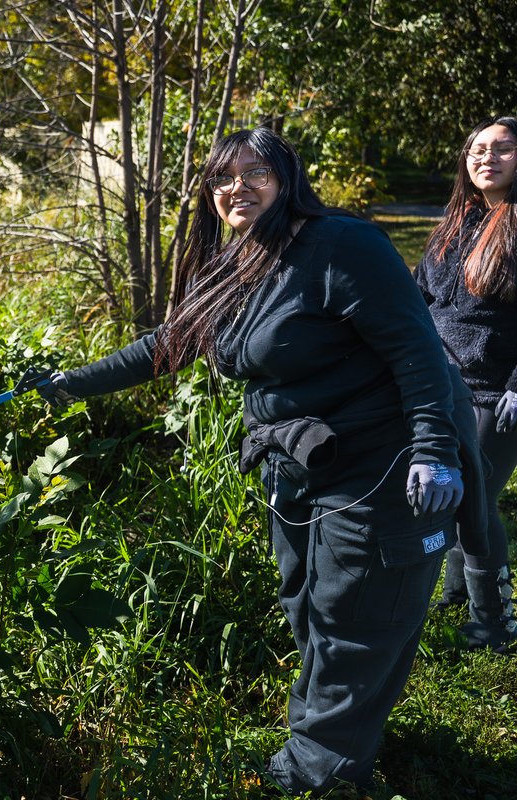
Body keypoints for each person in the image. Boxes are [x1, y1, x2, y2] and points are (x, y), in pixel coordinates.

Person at [38, 128, 480, 795]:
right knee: (308, 608)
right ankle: (341, 738)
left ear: (287, 178)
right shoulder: (242, 262)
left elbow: (417, 352)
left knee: (354, 619)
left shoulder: (343, 246)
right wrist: (70, 383)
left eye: (255, 172)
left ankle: (313, 773)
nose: (236, 187)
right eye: (222, 177)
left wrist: (433, 452)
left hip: (381, 464)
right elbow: (169, 343)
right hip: (300, 465)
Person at [416, 116, 517, 652]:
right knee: (458, 496)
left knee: (475, 502)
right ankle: (456, 595)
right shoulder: (456, 221)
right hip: (440, 383)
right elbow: (421, 298)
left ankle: (495, 623)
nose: (487, 158)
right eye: (478, 149)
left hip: (494, 392)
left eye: (502, 149)